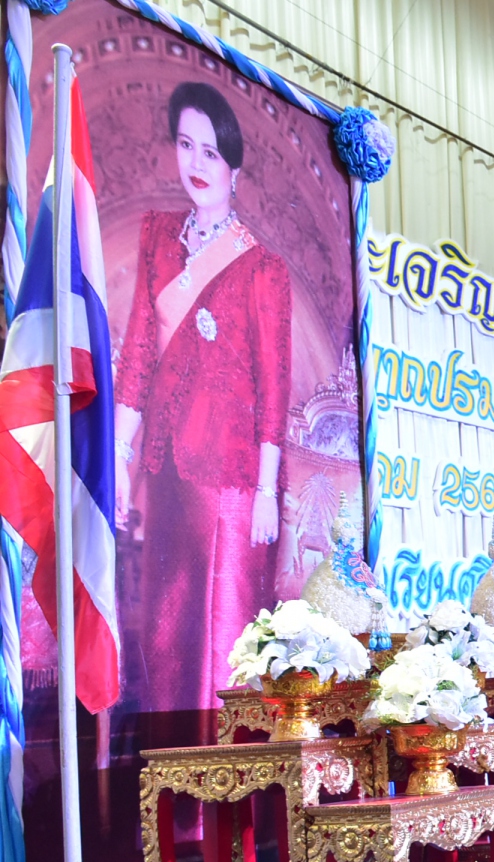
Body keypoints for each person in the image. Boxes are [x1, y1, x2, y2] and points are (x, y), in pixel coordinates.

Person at [114, 81, 293, 712]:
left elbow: (275, 385)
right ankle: (171, 778)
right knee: (166, 642)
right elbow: (139, 349)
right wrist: (119, 455)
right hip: (166, 473)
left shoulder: (262, 267)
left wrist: (267, 490)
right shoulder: (158, 236)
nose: (196, 163)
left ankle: (228, 778)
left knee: (222, 643)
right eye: (186, 145)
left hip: (231, 485)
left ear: (234, 168)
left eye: (211, 152)